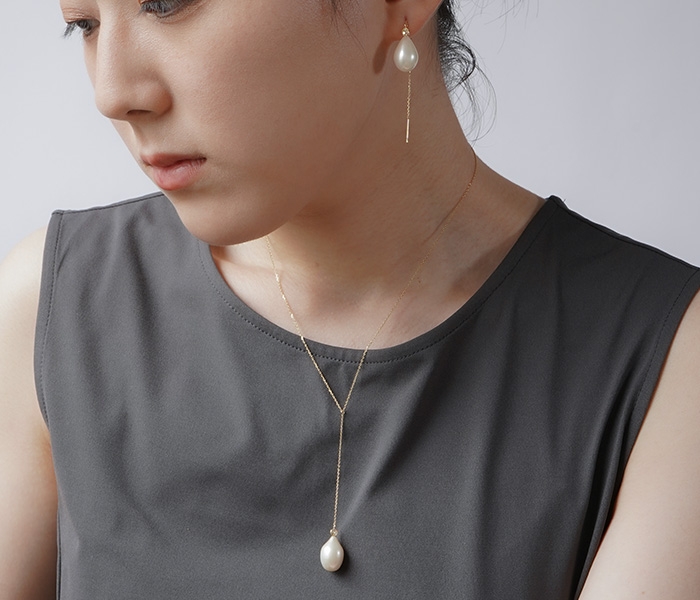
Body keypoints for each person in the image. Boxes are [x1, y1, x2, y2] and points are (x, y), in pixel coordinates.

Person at [1, 0, 699, 598]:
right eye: (84, 23)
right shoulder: (51, 312)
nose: (112, 91)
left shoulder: (668, 365)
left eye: (166, 1)